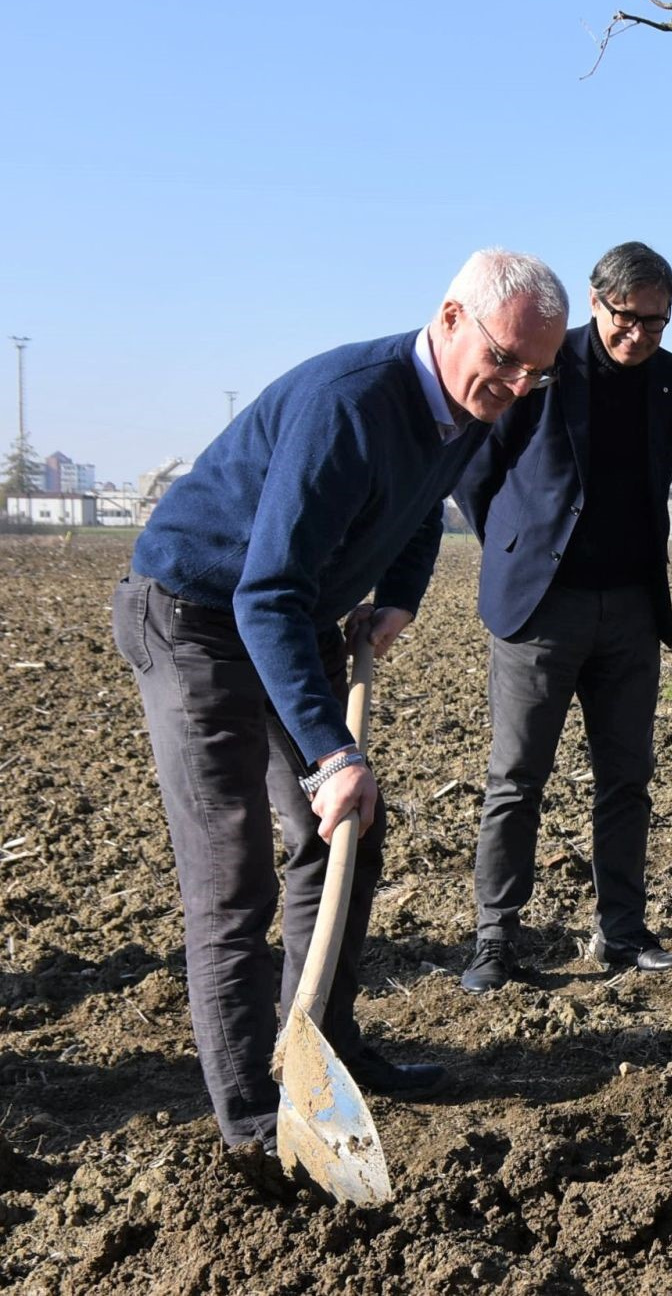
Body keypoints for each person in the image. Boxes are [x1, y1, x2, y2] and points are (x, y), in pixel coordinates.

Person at [112, 249, 570, 1159]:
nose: (517, 384)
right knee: (231, 868)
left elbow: (425, 508)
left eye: (536, 371)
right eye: (506, 358)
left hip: (294, 613)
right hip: (198, 614)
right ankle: (249, 1115)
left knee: (351, 828)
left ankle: (323, 1041)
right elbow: (263, 592)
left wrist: (398, 593)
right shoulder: (349, 405)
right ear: (449, 318)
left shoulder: (474, 410)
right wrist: (331, 751)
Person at [454, 242, 672, 993]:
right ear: (596, 301)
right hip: (539, 609)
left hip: (630, 609)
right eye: (629, 320)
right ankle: (495, 939)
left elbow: (655, 478)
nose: (642, 336)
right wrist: (516, 543)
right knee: (516, 778)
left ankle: (622, 930)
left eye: (657, 323)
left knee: (627, 778)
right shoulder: (539, 364)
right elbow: (477, 472)